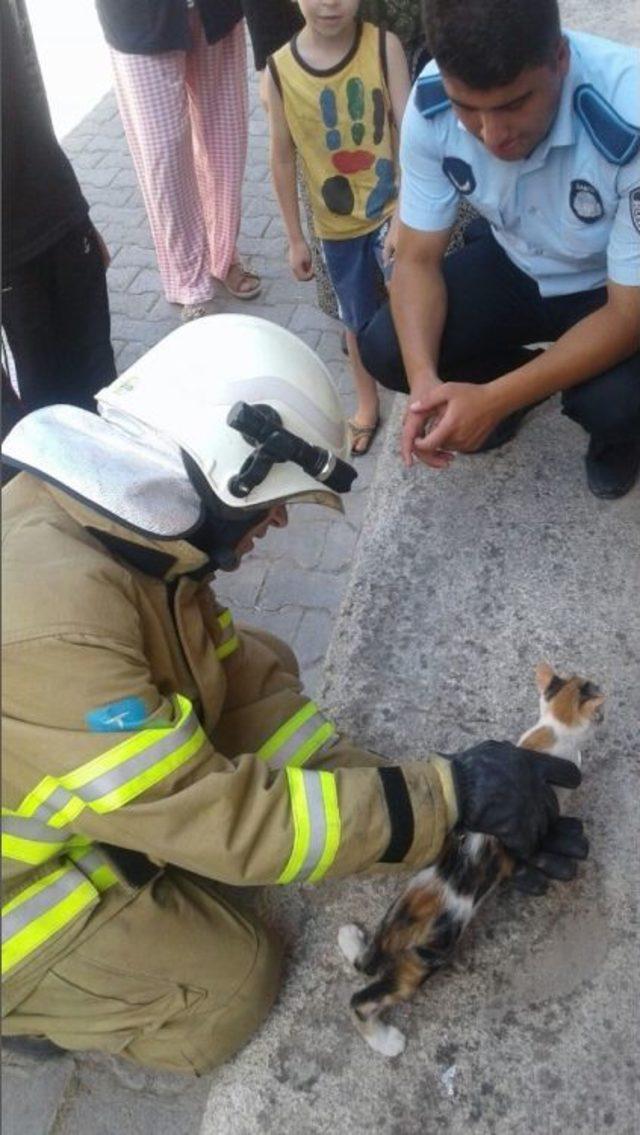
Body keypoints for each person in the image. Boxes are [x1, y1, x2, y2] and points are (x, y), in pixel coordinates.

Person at [1, 315, 587, 1073]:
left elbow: (248, 703)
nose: (277, 520)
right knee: (233, 984)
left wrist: (450, 818)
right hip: (20, 894)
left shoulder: (129, 542)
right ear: (221, 469)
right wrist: (447, 793)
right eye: (272, 500)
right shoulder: (58, 631)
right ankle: (31, 1011)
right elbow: (228, 818)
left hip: (67, 796)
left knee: (262, 664)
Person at [359, 0, 640, 500]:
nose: (492, 135)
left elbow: (627, 314)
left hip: (610, 285)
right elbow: (418, 261)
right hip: (519, 261)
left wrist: (492, 398)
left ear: (560, 58)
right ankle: (504, 397)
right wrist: (426, 385)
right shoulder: (431, 104)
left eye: (512, 104)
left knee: (615, 406)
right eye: (468, 107)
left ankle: (611, 437)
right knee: (386, 350)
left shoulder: (629, 114)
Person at [266, 1, 411, 456]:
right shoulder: (278, 70)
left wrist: (407, 210)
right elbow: (282, 156)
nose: (331, 2)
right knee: (357, 319)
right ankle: (366, 402)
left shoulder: (384, 47)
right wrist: (294, 237)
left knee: (412, 300)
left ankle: (423, 389)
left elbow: (409, 130)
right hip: (335, 227)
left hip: (392, 209)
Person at [95, 0, 261, 321]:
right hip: (137, 17)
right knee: (165, 155)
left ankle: (223, 253)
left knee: (226, 139)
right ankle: (189, 279)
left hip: (215, 9)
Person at [1, 0, 116, 439]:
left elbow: (29, 92)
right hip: (10, 261)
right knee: (44, 423)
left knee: (100, 391)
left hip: (60, 223)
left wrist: (77, 213)